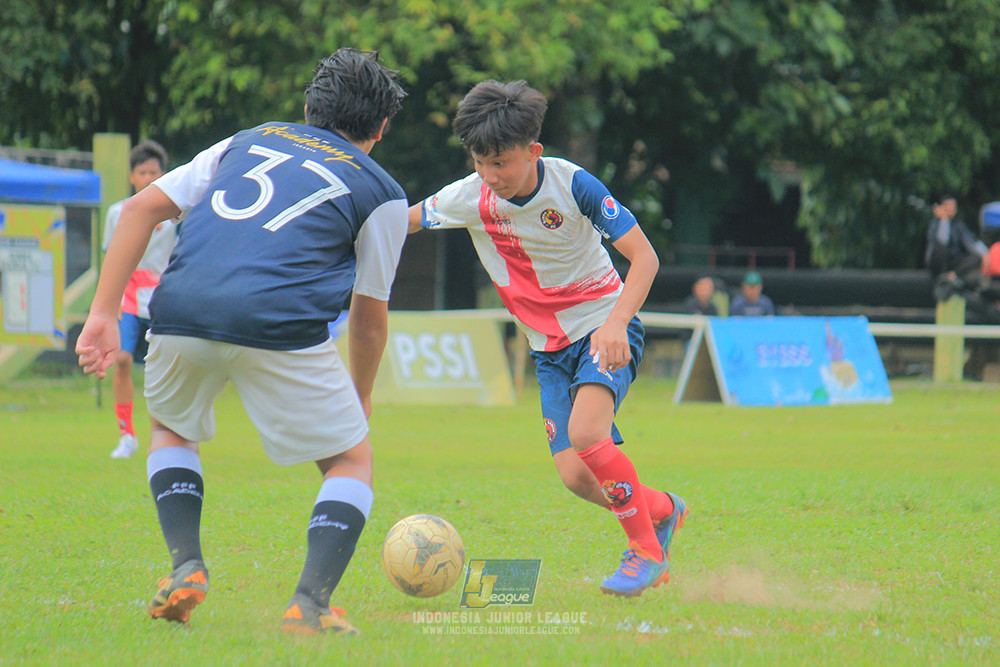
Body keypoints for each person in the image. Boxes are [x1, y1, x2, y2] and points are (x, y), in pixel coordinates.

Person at [76, 48, 408, 635]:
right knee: (350, 459)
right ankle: (309, 604)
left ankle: (186, 566)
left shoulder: (245, 140)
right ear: (381, 128)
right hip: (278, 320)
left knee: (171, 428)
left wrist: (102, 312)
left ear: (308, 107)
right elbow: (368, 316)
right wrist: (360, 395)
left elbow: (138, 210)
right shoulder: (382, 191)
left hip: (180, 307)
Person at [407, 80, 687, 598]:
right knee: (577, 477)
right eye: (480, 163)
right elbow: (406, 222)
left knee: (586, 433)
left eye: (501, 164)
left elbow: (645, 258)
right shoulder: (470, 197)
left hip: (604, 329)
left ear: (533, 151)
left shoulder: (573, 185)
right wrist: (347, 230)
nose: (490, 177)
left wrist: (617, 322)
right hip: (549, 351)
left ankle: (646, 553)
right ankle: (665, 511)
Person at [103, 140, 177, 459]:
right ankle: (126, 434)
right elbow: (111, 257)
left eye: (155, 172)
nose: (149, 177)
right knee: (121, 359)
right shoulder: (118, 212)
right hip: (130, 297)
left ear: (164, 175)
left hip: (163, 297)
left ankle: (163, 435)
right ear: (132, 176)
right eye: (143, 172)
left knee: (162, 368)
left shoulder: (176, 214)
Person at [924, 195, 989, 300]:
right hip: (938, 263)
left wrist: (986, 254)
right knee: (940, 249)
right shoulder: (935, 224)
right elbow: (942, 241)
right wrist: (944, 220)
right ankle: (943, 274)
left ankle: (952, 275)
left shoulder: (958, 225)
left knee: (976, 258)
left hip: (954, 263)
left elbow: (971, 242)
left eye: (952, 206)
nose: (950, 209)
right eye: (947, 206)